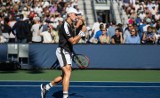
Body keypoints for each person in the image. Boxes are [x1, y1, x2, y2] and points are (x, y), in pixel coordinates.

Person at [40, 7, 86, 98]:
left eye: (77, 14)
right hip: (62, 51)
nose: (76, 16)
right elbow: (73, 41)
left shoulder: (71, 24)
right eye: (75, 14)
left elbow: (81, 24)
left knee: (64, 75)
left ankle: (46, 87)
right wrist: (81, 33)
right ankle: (65, 96)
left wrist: (81, 20)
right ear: (69, 14)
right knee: (68, 72)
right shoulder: (65, 25)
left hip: (68, 52)